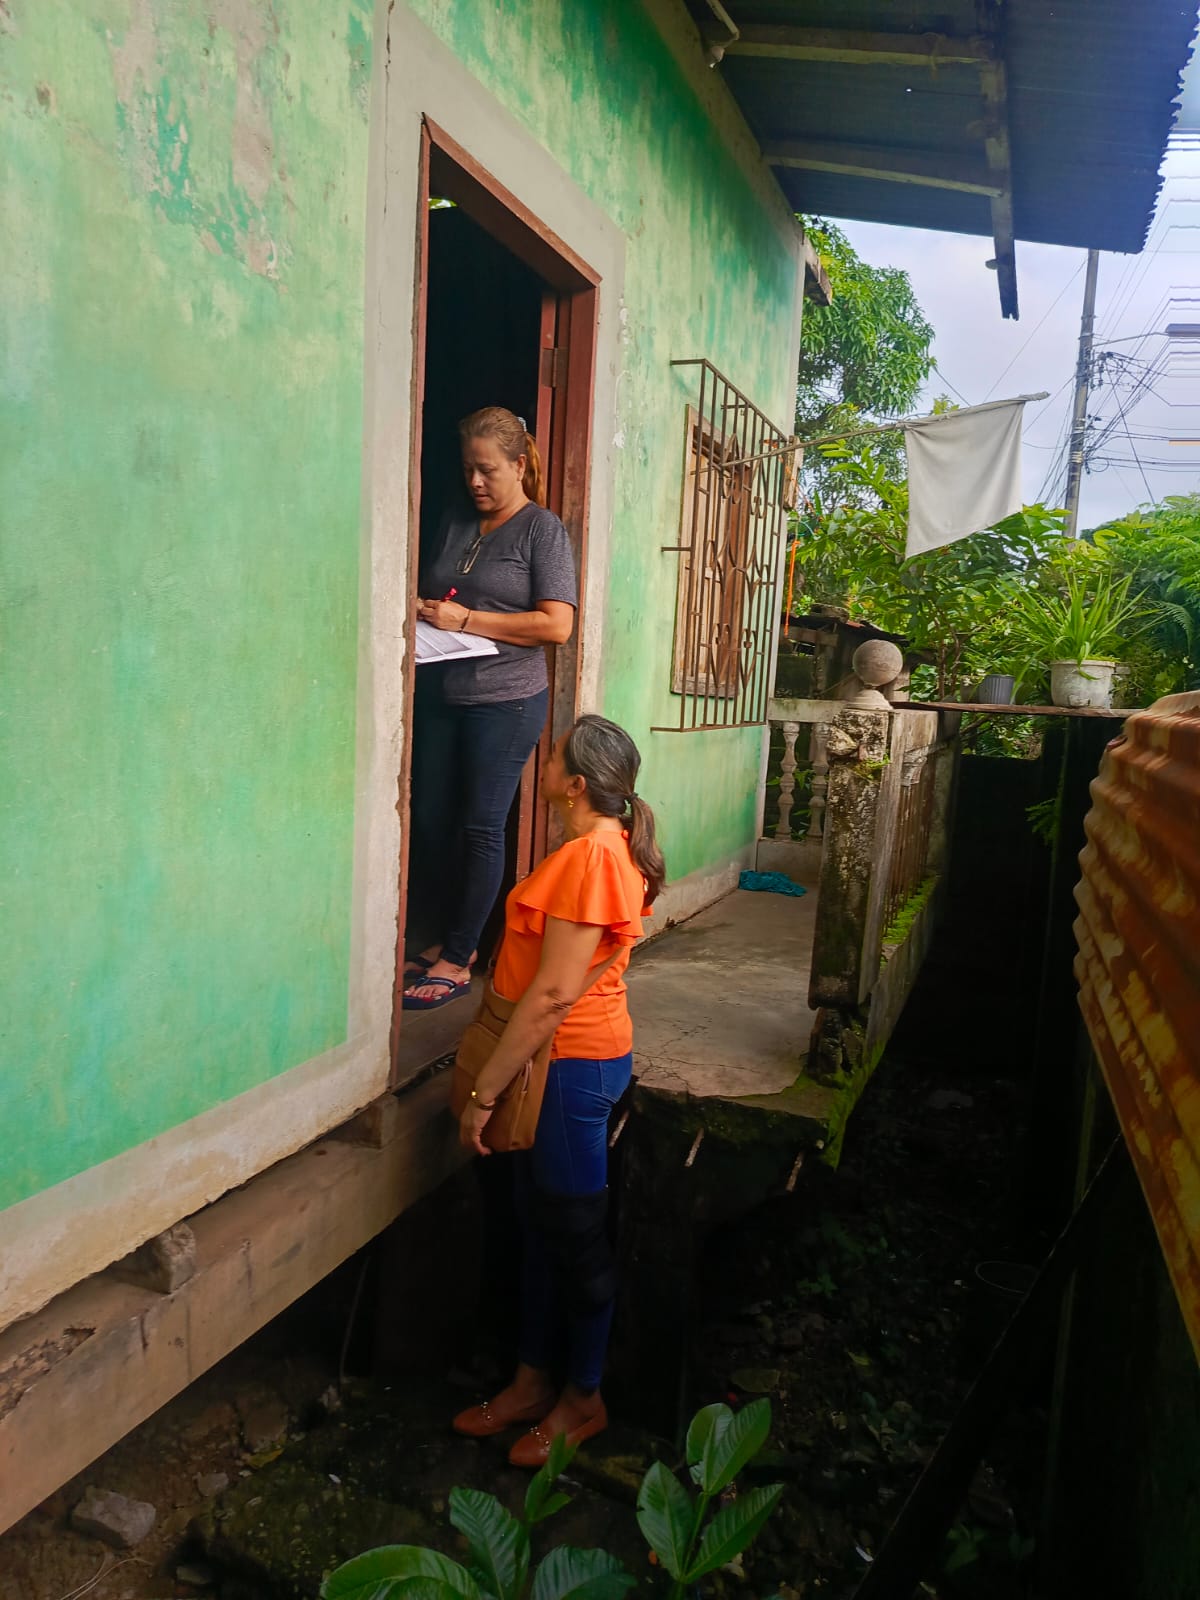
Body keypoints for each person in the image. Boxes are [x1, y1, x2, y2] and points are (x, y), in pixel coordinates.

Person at [450, 714, 666, 1468]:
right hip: (555, 1062)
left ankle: (584, 1398)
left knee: (574, 1236)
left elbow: (552, 995)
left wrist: (484, 1092)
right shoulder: (595, 849)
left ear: (574, 785)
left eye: (552, 759)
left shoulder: (596, 857)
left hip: (570, 1065)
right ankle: (531, 1381)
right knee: (540, 1225)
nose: (538, 764)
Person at [404, 407, 577, 1011]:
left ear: (519, 465)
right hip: (442, 691)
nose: (475, 481)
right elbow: (442, 591)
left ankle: (459, 956)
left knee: (481, 826)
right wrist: (429, 609)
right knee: (430, 818)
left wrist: (468, 619)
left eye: (487, 470)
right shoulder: (456, 520)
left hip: (506, 701)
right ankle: (443, 937)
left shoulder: (541, 530)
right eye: (467, 470)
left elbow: (557, 626)